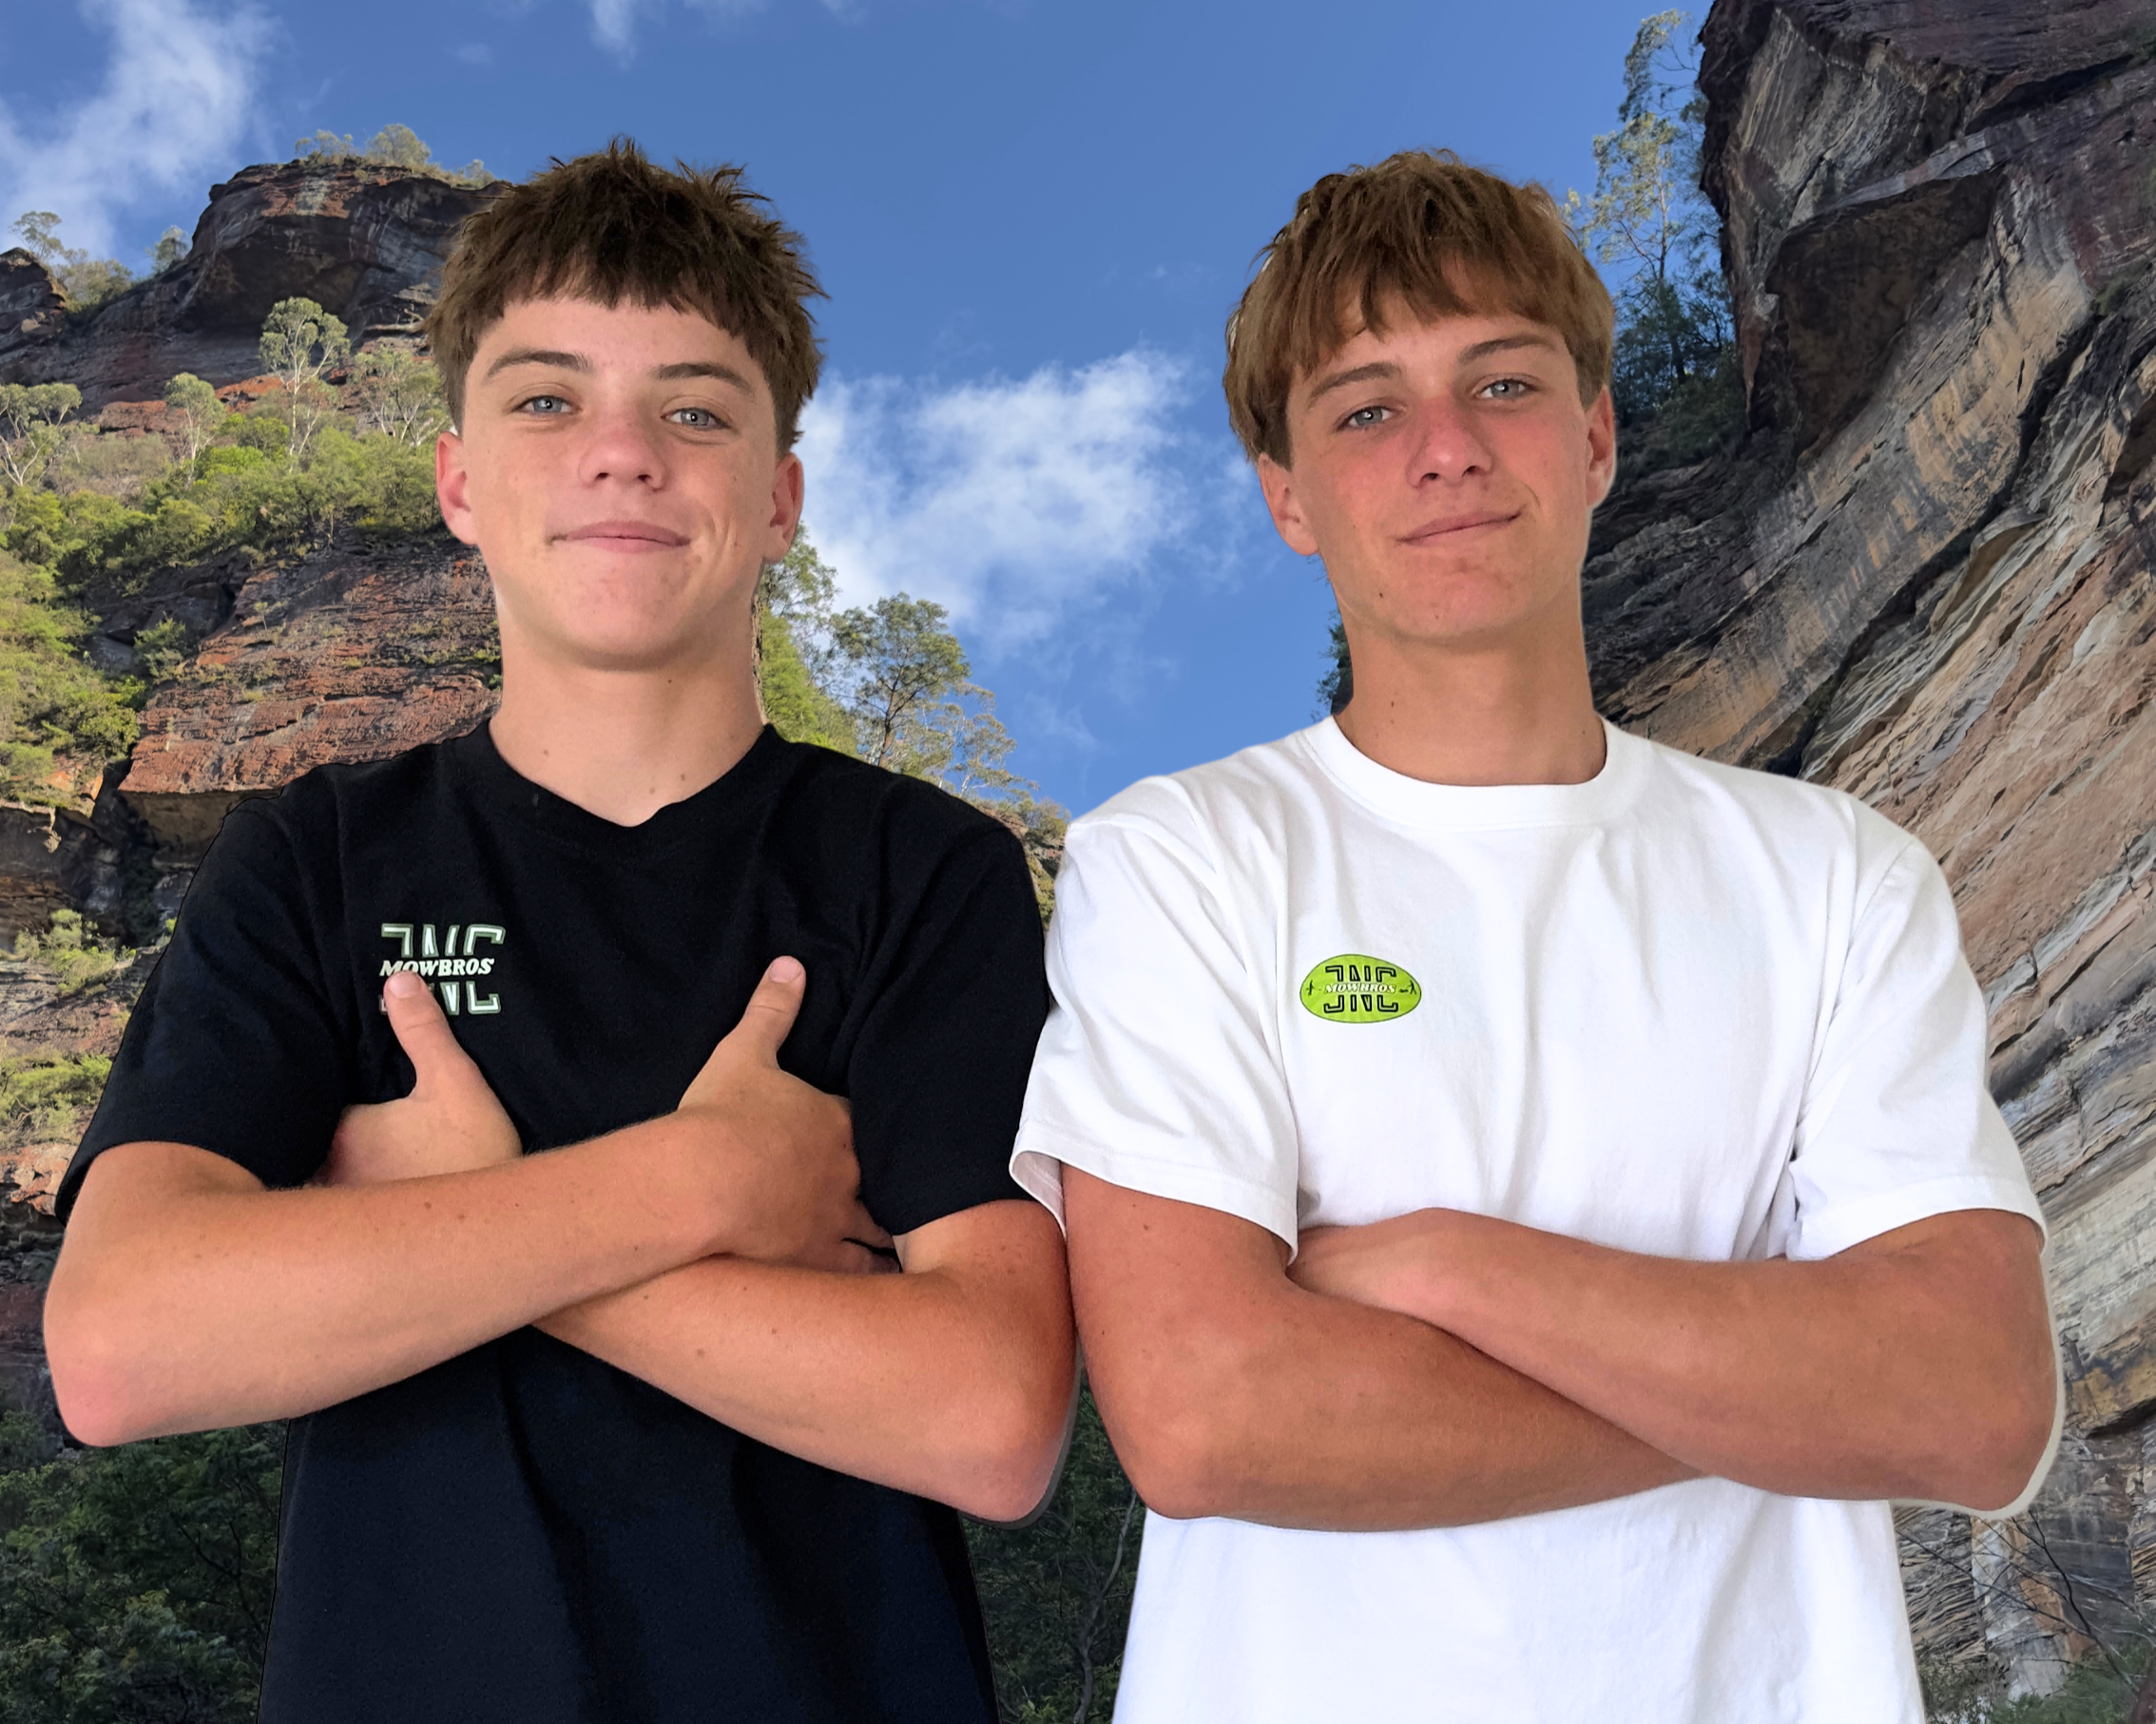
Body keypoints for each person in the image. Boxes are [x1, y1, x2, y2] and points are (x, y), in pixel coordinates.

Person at [1009, 150, 2059, 1723]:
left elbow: (1975, 1401)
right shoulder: (1184, 860)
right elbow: (1209, 1414)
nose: (1445, 450)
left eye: (1502, 380)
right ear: (1288, 497)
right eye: (1366, 407)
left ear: (1596, 436)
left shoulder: (1836, 874)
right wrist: (1801, 1384)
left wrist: (1442, 1263)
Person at [43, 141, 1075, 1724]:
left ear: (779, 494)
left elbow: (993, 1415)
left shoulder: (923, 871)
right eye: (544, 399)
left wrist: (464, 1215)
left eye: (697, 407)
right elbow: (121, 1346)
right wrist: (702, 1182)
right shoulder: (311, 857)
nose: (622, 455)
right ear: (458, 479)